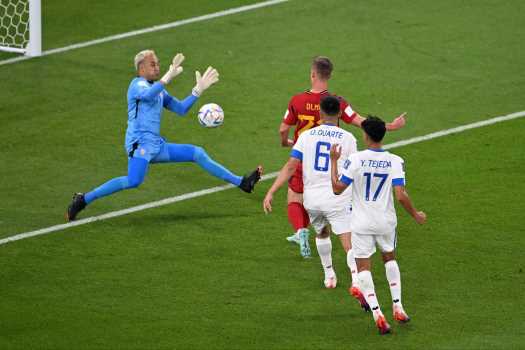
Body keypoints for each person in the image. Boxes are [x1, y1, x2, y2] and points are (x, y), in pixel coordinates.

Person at [66, 50, 262, 221]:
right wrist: (168, 75)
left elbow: (181, 109)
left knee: (197, 153)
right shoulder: (137, 85)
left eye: (159, 64)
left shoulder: (159, 91)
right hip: (139, 144)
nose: (157, 67)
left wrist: (198, 90)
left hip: (156, 145)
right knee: (134, 181)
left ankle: (242, 182)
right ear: (141, 68)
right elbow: (148, 95)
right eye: (153, 64)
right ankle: (83, 199)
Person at [278, 56, 406, 251]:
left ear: (313, 74)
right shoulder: (337, 102)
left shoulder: (297, 100)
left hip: (304, 158)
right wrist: (391, 126)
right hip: (331, 161)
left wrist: (286, 142)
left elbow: (282, 129)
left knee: (295, 196)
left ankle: (301, 230)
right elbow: (360, 121)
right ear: (329, 75)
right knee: (333, 204)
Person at [263, 96, 369, 311]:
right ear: (339, 114)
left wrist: (272, 191)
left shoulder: (306, 136)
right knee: (348, 241)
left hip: (312, 199)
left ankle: (329, 275)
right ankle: (356, 281)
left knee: (321, 233)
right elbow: (355, 169)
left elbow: (291, 166)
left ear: (320, 114)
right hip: (337, 197)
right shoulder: (348, 137)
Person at [330, 116, 427, 335]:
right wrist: (416, 215)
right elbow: (400, 196)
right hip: (386, 222)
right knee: (389, 259)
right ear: (382, 136)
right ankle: (398, 307)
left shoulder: (355, 159)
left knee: (363, 268)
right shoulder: (395, 160)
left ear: (365, 135)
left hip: (361, 223)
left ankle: (377, 314)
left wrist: (334, 160)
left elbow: (337, 188)